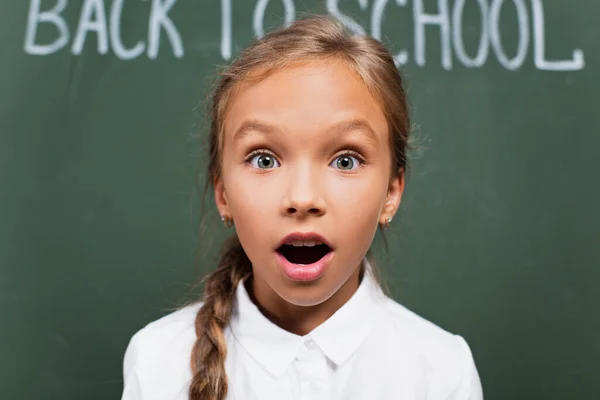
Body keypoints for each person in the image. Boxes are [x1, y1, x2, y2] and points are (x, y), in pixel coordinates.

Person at [121, 15, 483, 400]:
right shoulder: (159, 361)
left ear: (391, 192)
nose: (302, 198)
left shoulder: (442, 370)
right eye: (264, 160)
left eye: (346, 160)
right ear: (222, 192)